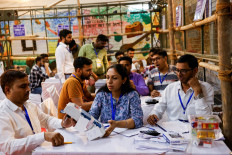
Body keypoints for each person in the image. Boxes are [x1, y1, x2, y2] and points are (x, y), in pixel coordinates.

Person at [0, 70, 75, 154]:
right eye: (23, 86)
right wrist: (42, 136)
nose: (28, 89)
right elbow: (7, 146)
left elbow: (46, 120)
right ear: (7, 90)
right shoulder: (3, 113)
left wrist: (62, 123)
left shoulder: (29, 106)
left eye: (28, 85)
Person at [147, 54, 214, 125]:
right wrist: (154, 115)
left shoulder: (206, 88)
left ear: (195, 70)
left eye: (183, 71)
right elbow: (159, 107)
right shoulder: (170, 88)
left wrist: (197, 90)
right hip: (172, 130)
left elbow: (206, 118)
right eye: (177, 70)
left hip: (194, 130)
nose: (179, 74)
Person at [89, 64, 143, 137]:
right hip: (105, 135)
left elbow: (138, 120)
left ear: (123, 79)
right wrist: (78, 120)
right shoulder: (101, 95)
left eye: (114, 78)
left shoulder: (132, 95)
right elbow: (91, 117)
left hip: (125, 136)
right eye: (107, 78)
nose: (109, 81)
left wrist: (117, 124)